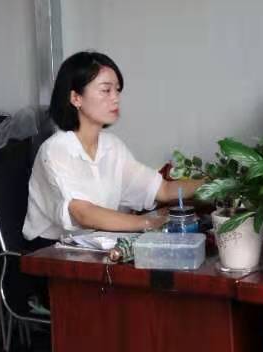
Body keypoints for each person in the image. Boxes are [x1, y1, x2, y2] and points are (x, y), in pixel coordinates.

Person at [23, 50, 203, 243]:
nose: (116, 98)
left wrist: (217, 183)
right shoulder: (56, 150)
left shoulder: (112, 146)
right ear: (76, 98)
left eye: (117, 90)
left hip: (97, 243)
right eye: (106, 90)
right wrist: (148, 223)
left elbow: (164, 190)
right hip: (50, 251)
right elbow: (83, 214)